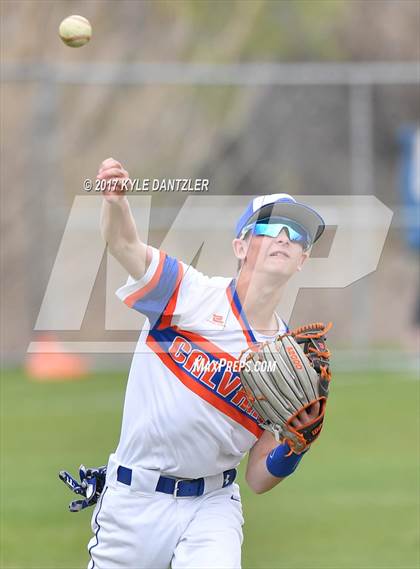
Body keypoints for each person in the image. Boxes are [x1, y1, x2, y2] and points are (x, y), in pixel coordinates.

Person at [85, 157, 326, 569]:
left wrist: (294, 449)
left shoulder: (294, 360)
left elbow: (257, 478)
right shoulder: (186, 293)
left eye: (298, 234)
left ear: (303, 259)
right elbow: (124, 245)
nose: (284, 237)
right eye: (269, 227)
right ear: (239, 247)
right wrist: (117, 203)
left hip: (213, 505)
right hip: (134, 500)